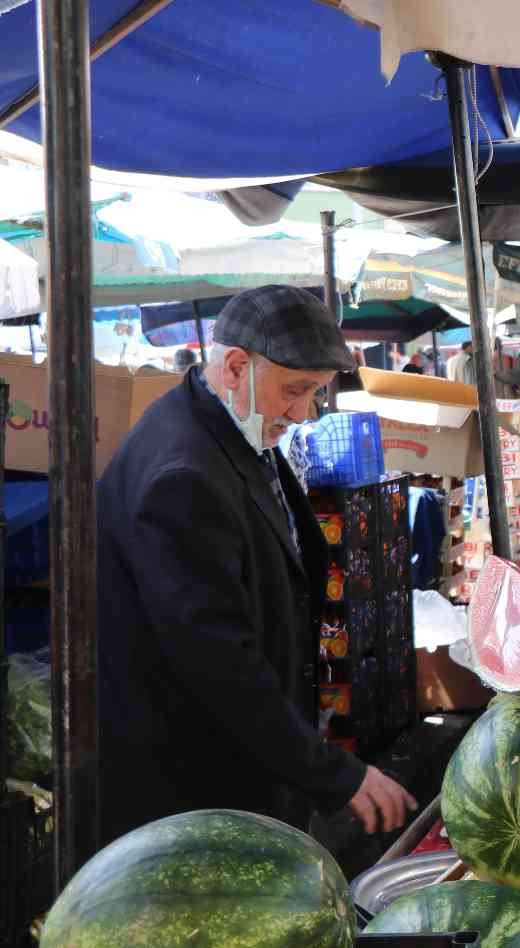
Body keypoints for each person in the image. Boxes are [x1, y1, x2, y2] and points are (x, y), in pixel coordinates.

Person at [96, 286, 417, 845]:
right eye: (295, 391)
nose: (302, 412)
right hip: (192, 784)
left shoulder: (221, 428)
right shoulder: (184, 477)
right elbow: (217, 661)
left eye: (314, 393)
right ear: (237, 366)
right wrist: (331, 774)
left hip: (233, 765)